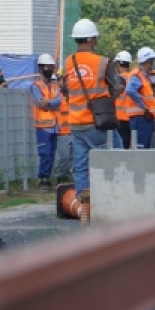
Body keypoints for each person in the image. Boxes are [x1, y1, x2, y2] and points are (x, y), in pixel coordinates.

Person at [60, 19, 123, 203]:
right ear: (91, 40)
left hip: (76, 122)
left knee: (81, 163)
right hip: (97, 122)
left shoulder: (69, 62)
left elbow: (65, 88)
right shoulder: (103, 62)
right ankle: (112, 194)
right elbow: (116, 88)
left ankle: (83, 199)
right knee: (115, 154)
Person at [30, 54, 62, 191]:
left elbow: (58, 101)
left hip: (54, 125)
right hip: (43, 126)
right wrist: (51, 103)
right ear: (41, 68)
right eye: (47, 67)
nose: (50, 69)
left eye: (51, 67)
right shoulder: (36, 86)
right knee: (45, 153)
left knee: (51, 153)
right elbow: (40, 102)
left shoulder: (55, 85)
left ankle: (47, 178)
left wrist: (48, 102)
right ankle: (43, 179)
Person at [117, 47, 155, 149]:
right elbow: (130, 90)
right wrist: (144, 107)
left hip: (143, 117)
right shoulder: (137, 75)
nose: (154, 62)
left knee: (143, 147)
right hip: (140, 118)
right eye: (152, 60)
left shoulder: (144, 76)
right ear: (148, 61)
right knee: (141, 148)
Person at [113, 50, 134, 149]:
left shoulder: (118, 79)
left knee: (121, 149)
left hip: (120, 119)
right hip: (132, 118)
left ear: (118, 64)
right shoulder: (134, 77)